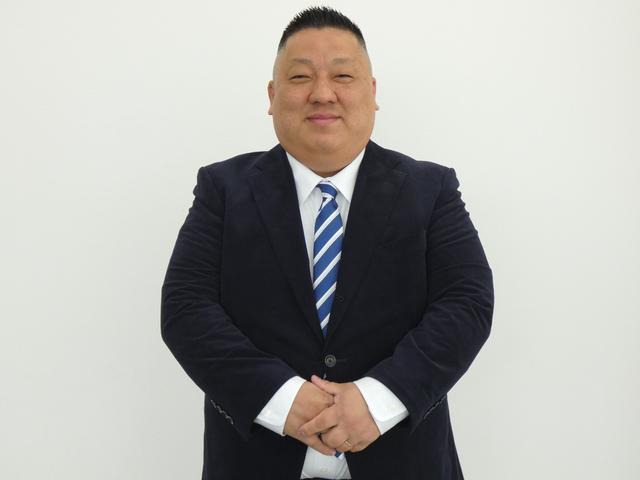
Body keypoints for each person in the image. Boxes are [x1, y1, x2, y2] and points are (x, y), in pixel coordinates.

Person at [161, 6, 494, 480]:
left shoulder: (430, 189)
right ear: (272, 96)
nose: (322, 93)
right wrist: (283, 400)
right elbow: (185, 309)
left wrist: (377, 401)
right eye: (300, 77)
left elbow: (467, 303)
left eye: (342, 75)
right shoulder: (224, 189)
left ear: (372, 93)